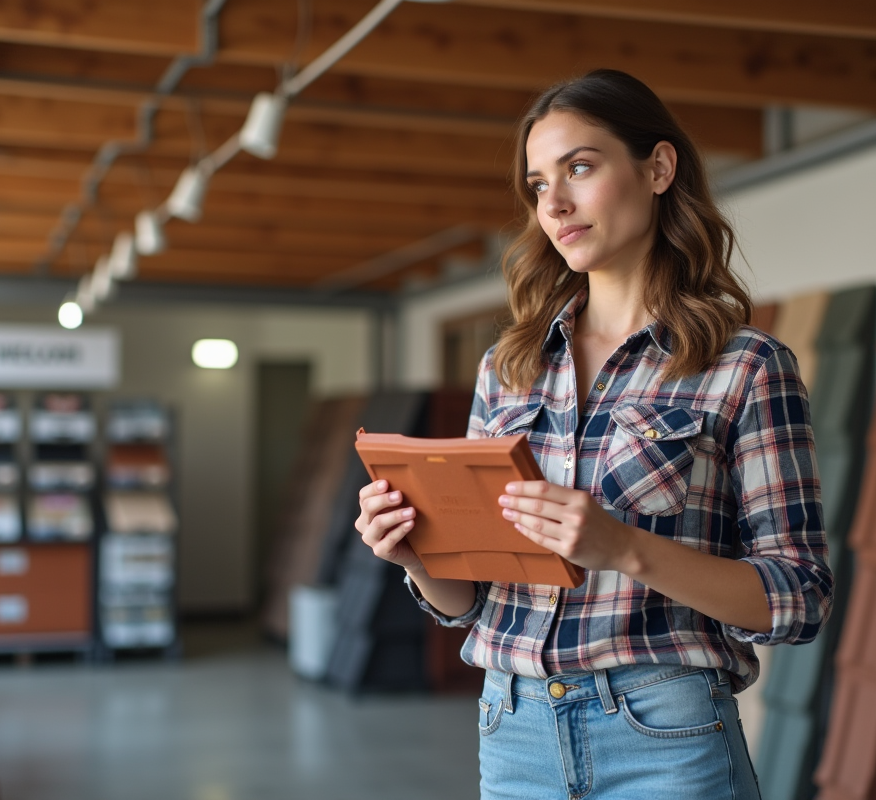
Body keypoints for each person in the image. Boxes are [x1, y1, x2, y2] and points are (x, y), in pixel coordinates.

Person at [355, 68, 832, 799]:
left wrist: (623, 548)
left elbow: (797, 599)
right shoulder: (508, 368)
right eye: (538, 184)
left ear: (658, 168)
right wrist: (415, 554)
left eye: (579, 168)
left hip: (664, 736)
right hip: (512, 731)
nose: (554, 204)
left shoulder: (744, 366)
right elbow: (470, 602)